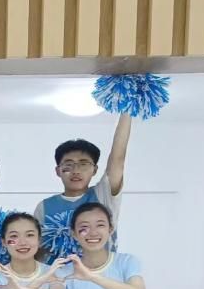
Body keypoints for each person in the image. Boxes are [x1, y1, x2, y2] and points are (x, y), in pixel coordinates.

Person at [33, 111, 132, 258]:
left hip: (101, 271)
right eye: (68, 165)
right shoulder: (44, 207)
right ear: (58, 171)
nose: (76, 171)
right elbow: (37, 251)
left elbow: (118, 158)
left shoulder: (103, 195)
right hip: (58, 272)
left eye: (83, 164)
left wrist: (127, 110)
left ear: (95, 170)